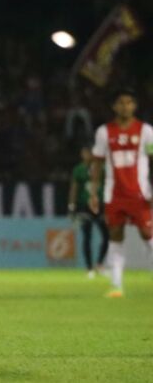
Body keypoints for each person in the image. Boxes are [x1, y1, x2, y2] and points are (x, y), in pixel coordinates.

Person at [88, 88, 153, 298]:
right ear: (114, 107)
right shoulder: (104, 132)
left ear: (135, 106)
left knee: (148, 234)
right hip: (113, 194)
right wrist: (93, 193)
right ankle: (116, 285)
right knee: (115, 237)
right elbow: (97, 163)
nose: (125, 106)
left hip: (139, 193)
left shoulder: (146, 131)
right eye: (121, 103)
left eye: (129, 102)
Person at [67, 145, 107, 279]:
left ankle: (99, 263)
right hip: (84, 206)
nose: (88, 155)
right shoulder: (78, 170)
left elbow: (108, 184)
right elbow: (74, 188)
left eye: (90, 153)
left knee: (107, 235)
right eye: (86, 153)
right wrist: (72, 206)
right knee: (87, 236)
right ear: (82, 154)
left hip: (100, 205)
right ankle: (89, 268)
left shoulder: (102, 168)